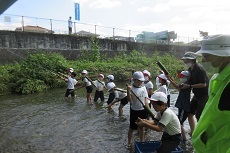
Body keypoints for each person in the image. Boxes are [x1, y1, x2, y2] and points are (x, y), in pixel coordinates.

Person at [192, 34, 230, 152]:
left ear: (222, 56)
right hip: (208, 146)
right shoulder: (216, 78)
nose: (203, 61)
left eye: (206, 56)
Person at [181, 52, 209, 128]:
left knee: (199, 116)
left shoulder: (200, 69)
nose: (185, 62)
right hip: (196, 95)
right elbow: (189, 80)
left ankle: (202, 133)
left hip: (204, 96)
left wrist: (190, 86)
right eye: (184, 61)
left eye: (186, 61)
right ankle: (193, 133)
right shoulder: (190, 69)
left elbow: (204, 84)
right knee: (190, 114)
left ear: (192, 60)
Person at [166, 71, 191, 141]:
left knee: (179, 123)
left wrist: (169, 79)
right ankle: (182, 137)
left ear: (187, 77)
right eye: (181, 77)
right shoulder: (184, 84)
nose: (181, 78)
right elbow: (178, 87)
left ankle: (184, 139)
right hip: (181, 106)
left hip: (184, 107)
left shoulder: (187, 85)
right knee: (180, 122)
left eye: (183, 77)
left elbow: (177, 86)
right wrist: (170, 78)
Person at [126, 71, 149, 148]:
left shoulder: (143, 87)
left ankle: (142, 142)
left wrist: (148, 109)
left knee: (142, 127)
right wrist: (128, 90)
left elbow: (145, 99)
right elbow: (129, 100)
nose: (140, 82)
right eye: (139, 81)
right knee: (132, 128)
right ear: (134, 80)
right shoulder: (131, 88)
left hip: (142, 110)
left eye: (141, 81)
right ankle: (129, 143)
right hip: (134, 110)